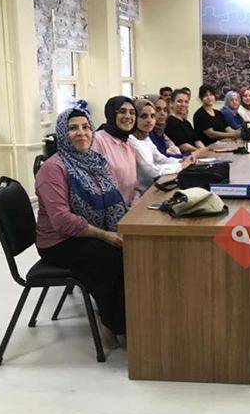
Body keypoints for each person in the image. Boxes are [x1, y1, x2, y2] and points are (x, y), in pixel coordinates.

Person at [35, 107, 127, 344]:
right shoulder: (53, 168)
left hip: (84, 234)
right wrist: (106, 236)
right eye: (73, 128)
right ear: (62, 133)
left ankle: (130, 314)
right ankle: (112, 322)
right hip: (59, 242)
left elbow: (112, 198)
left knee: (131, 251)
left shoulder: (95, 161)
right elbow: (61, 220)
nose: (81, 133)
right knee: (113, 259)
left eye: (86, 127)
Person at [129, 99, 197, 194]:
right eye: (144, 116)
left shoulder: (145, 137)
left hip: (153, 187)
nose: (149, 120)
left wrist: (182, 160)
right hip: (141, 193)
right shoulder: (131, 139)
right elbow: (152, 171)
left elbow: (160, 158)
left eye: (152, 116)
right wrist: (181, 166)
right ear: (135, 118)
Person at [91, 96, 138, 207]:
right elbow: (94, 185)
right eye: (122, 112)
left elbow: (134, 183)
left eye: (132, 113)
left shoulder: (129, 142)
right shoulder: (97, 140)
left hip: (130, 209)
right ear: (111, 114)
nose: (128, 116)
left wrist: (136, 201)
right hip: (108, 211)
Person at [165, 88, 204, 154]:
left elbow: (197, 141)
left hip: (196, 154)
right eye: (179, 101)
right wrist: (202, 152)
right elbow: (184, 147)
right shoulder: (170, 122)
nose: (183, 104)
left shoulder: (186, 122)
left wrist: (204, 150)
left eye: (186, 102)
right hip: (184, 157)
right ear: (171, 103)